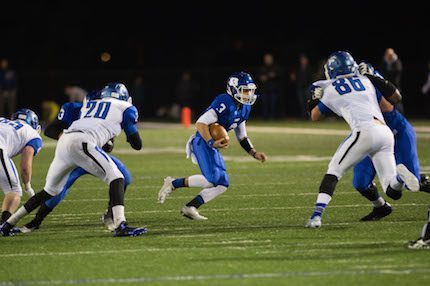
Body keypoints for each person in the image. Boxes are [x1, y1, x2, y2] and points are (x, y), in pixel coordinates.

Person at [1, 83, 146, 237]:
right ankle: (120, 225)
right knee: (116, 177)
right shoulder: (125, 107)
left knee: (49, 191)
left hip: (68, 142)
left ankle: (7, 225)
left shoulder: (89, 105)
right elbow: (137, 144)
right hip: (83, 143)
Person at [305, 51, 419, 228]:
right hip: (385, 132)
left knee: (334, 170)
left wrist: (313, 100)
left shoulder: (330, 89)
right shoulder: (367, 81)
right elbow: (391, 102)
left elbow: (315, 116)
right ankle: (400, 180)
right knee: (392, 189)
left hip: (364, 132)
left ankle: (316, 216)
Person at [157, 72, 267, 220]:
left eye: (250, 90)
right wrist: (211, 142)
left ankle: (189, 204)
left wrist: (254, 153)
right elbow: (200, 123)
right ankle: (176, 188)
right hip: (203, 141)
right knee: (217, 180)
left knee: (220, 183)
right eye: (245, 90)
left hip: (211, 145)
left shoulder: (244, 108)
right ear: (233, 89)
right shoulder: (224, 101)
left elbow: (242, 135)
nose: (248, 94)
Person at [352, 63, 430, 221]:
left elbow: (395, 98)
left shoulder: (365, 77)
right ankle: (381, 207)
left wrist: (372, 78)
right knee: (360, 182)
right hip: (370, 134)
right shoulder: (337, 88)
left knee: (407, 185)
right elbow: (317, 113)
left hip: (396, 131)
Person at [0, 109, 42, 224]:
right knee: (14, 191)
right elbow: (25, 165)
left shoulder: (2, 120)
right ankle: (3, 225)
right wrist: (28, 187)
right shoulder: (32, 134)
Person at [378, 48, 404, 114]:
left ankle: (401, 115)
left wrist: (387, 75)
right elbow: (381, 72)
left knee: (398, 102)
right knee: (386, 102)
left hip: (395, 86)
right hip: (386, 86)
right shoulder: (384, 62)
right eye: (387, 55)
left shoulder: (397, 61)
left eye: (390, 55)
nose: (389, 56)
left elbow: (397, 71)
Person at [258, 53, 282, 120]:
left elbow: (276, 76)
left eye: (269, 58)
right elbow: (260, 78)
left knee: (273, 104)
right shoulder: (262, 67)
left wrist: (267, 77)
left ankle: (273, 117)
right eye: (266, 58)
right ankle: (265, 117)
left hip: (273, 89)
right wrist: (269, 76)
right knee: (264, 104)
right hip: (264, 89)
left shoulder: (275, 67)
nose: (267, 60)